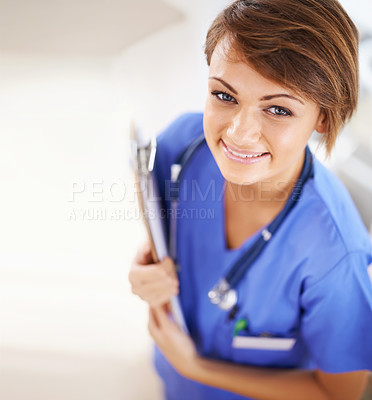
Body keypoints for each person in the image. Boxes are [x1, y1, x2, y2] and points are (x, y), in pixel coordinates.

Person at [129, 0, 372, 399]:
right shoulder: (182, 144)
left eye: (278, 109)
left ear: (323, 117)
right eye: (224, 96)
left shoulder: (334, 252)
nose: (240, 134)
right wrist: (151, 255)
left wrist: (197, 368)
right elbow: (150, 192)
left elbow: (338, 393)